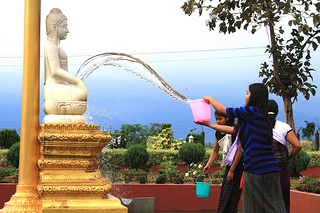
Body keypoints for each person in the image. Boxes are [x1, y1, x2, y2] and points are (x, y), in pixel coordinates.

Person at [201, 83, 286, 212]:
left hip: (257, 169)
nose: (245, 96)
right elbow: (233, 130)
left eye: (247, 93)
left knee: (252, 206)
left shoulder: (251, 111)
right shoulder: (259, 116)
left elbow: (224, 110)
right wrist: (209, 125)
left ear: (254, 96)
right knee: (273, 205)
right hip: (270, 169)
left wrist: (210, 99)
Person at [44, 8, 88, 123]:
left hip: (62, 86)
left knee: (81, 95)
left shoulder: (57, 46)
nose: (67, 30)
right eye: (64, 27)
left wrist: (70, 83)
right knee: (81, 94)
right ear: (54, 27)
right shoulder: (51, 46)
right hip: (53, 88)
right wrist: (77, 81)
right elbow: (55, 71)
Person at [196, 111, 243, 213]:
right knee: (225, 196)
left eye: (220, 119)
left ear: (227, 118)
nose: (218, 121)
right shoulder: (218, 132)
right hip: (229, 166)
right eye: (216, 119)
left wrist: (232, 170)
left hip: (237, 167)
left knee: (231, 197)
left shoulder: (234, 131)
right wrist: (208, 165)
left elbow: (239, 152)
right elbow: (215, 150)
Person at [268, 100, 302, 213]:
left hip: (264, 169)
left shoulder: (258, 127)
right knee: (282, 199)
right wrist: (288, 158)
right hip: (281, 168)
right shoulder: (283, 127)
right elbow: (297, 146)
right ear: (277, 113)